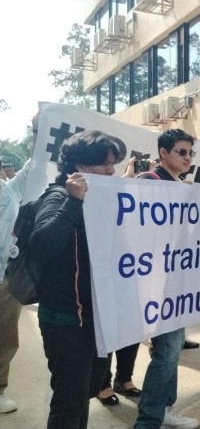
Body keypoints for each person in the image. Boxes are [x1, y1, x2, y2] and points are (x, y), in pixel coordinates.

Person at [31, 131, 121, 428]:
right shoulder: (58, 197)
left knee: (85, 391)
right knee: (69, 400)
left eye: (113, 163)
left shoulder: (98, 197)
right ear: (80, 166)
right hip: (66, 319)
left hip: (95, 317)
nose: (111, 170)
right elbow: (41, 245)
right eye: (105, 163)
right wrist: (72, 201)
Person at [134, 129, 199, 429]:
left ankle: (165, 408)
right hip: (157, 284)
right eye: (181, 152)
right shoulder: (148, 181)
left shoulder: (181, 185)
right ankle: (149, 419)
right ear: (163, 152)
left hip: (177, 281)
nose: (187, 158)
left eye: (190, 153)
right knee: (168, 351)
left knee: (172, 349)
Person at [0, 154, 32, 414]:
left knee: (6, 336)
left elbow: (34, 165)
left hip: (6, 277)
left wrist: (41, 133)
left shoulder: (8, 190)